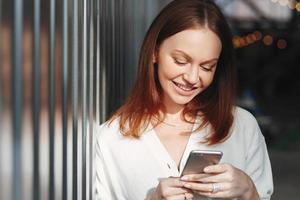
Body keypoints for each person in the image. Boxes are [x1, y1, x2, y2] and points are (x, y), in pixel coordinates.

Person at [94, 0, 274, 199]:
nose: (192, 77)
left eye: (207, 67)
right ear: (155, 52)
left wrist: (249, 190)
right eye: (181, 61)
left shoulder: (242, 127)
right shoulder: (112, 138)